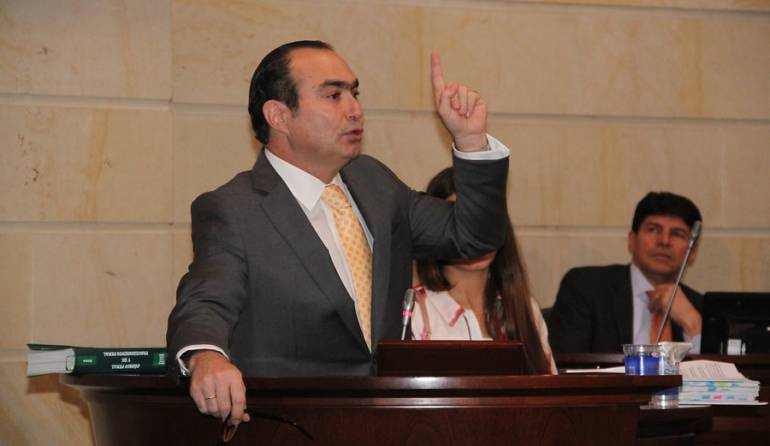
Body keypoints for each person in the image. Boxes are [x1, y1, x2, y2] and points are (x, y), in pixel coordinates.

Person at [166, 40, 511, 427]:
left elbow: (474, 236)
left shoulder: (376, 183)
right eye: (333, 95)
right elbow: (206, 301)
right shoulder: (235, 209)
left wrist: (471, 142)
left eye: (354, 93)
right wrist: (206, 357)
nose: (355, 109)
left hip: (386, 424)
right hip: (290, 428)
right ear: (279, 116)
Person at [412, 168, 557, 374]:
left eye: (485, 218)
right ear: (435, 230)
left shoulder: (525, 309)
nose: (476, 233)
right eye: (461, 221)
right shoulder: (415, 311)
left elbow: (549, 389)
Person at [548, 191, 704, 354]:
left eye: (677, 234)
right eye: (653, 229)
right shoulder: (586, 287)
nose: (664, 241)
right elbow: (566, 362)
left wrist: (692, 324)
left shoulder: (701, 308)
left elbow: (716, 367)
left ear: (692, 252)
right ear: (632, 240)